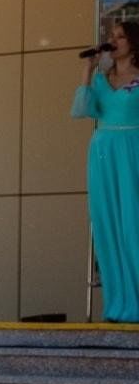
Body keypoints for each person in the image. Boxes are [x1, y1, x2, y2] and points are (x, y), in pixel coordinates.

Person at [75, 20, 139, 323]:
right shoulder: (101, 79)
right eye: (110, 37)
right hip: (103, 152)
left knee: (133, 225)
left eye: (120, 37)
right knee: (109, 226)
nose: (113, 42)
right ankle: (119, 304)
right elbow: (82, 110)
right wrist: (87, 71)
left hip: (133, 150)